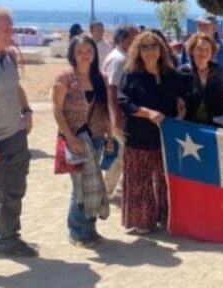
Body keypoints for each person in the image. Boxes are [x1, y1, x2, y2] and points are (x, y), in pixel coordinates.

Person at [0, 4, 38, 257]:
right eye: (6, 29)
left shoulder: (7, 57)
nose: (12, 33)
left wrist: (26, 111)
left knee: (13, 191)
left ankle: (8, 240)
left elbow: (15, 87)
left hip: (14, 137)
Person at [118, 31, 188, 234]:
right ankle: (142, 221)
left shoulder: (171, 74)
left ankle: (165, 218)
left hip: (165, 138)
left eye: (153, 46)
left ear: (161, 49)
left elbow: (181, 95)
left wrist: (181, 103)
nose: (150, 51)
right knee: (140, 181)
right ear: (138, 51)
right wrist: (147, 113)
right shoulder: (131, 74)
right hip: (139, 136)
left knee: (164, 181)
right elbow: (123, 101)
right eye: (145, 47)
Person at [52, 34, 112, 247]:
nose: (85, 55)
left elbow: (105, 110)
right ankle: (77, 232)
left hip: (96, 136)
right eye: (80, 51)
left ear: (94, 54)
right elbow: (57, 111)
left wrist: (110, 136)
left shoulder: (100, 78)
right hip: (75, 138)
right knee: (80, 186)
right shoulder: (65, 78)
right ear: (72, 54)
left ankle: (90, 229)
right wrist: (69, 137)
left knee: (93, 184)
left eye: (89, 51)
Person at [101, 24, 139, 199]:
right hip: (118, 114)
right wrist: (115, 116)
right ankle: (106, 190)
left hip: (117, 113)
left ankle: (116, 189)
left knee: (123, 154)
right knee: (121, 154)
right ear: (124, 40)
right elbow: (112, 89)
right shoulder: (119, 59)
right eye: (134, 37)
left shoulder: (120, 56)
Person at [179, 33, 223, 129]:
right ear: (192, 51)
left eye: (207, 49)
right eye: (199, 49)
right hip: (189, 125)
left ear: (211, 53)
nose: (203, 53)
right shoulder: (183, 72)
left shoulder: (219, 70)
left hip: (214, 125)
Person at [182, 13, 223, 82]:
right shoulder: (188, 45)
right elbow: (182, 69)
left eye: (205, 25)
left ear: (214, 28)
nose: (201, 28)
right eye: (199, 25)